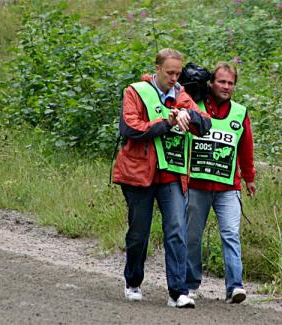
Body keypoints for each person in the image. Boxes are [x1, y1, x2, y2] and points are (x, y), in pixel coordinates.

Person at [112, 48, 211, 308]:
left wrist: (190, 118)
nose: (174, 78)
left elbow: (206, 125)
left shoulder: (180, 93)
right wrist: (165, 122)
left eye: (178, 73)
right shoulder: (134, 92)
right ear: (157, 69)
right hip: (138, 173)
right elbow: (130, 127)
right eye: (169, 73)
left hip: (172, 174)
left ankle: (178, 292)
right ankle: (133, 281)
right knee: (138, 233)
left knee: (176, 230)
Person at [185, 62, 256, 304]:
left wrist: (250, 178)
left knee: (230, 234)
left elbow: (245, 147)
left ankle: (235, 286)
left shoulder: (240, 112)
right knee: (192, 236)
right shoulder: (194, 106)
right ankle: (190, 284)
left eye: (231, 83)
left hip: (228, 187)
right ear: (211, 83)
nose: (226, 87)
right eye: (222, 82)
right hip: (197, 185)